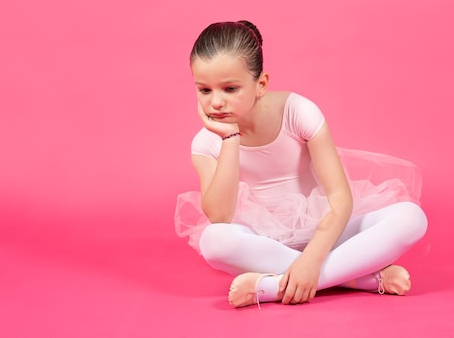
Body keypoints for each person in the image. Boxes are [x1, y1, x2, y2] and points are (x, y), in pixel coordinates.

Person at [175, 20, 428, 308]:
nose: (216, 102)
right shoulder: (205, 143)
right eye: (204, 90)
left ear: (261, 85)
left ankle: (271, 286)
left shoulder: (298, 112)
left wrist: (311, 261)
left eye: (230, 89)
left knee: (411, 218)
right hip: (264, 242)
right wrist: (230, 137)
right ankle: (356, 278)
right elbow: (220, 215)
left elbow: (340, 198)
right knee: (214, 241)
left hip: (326, 229)